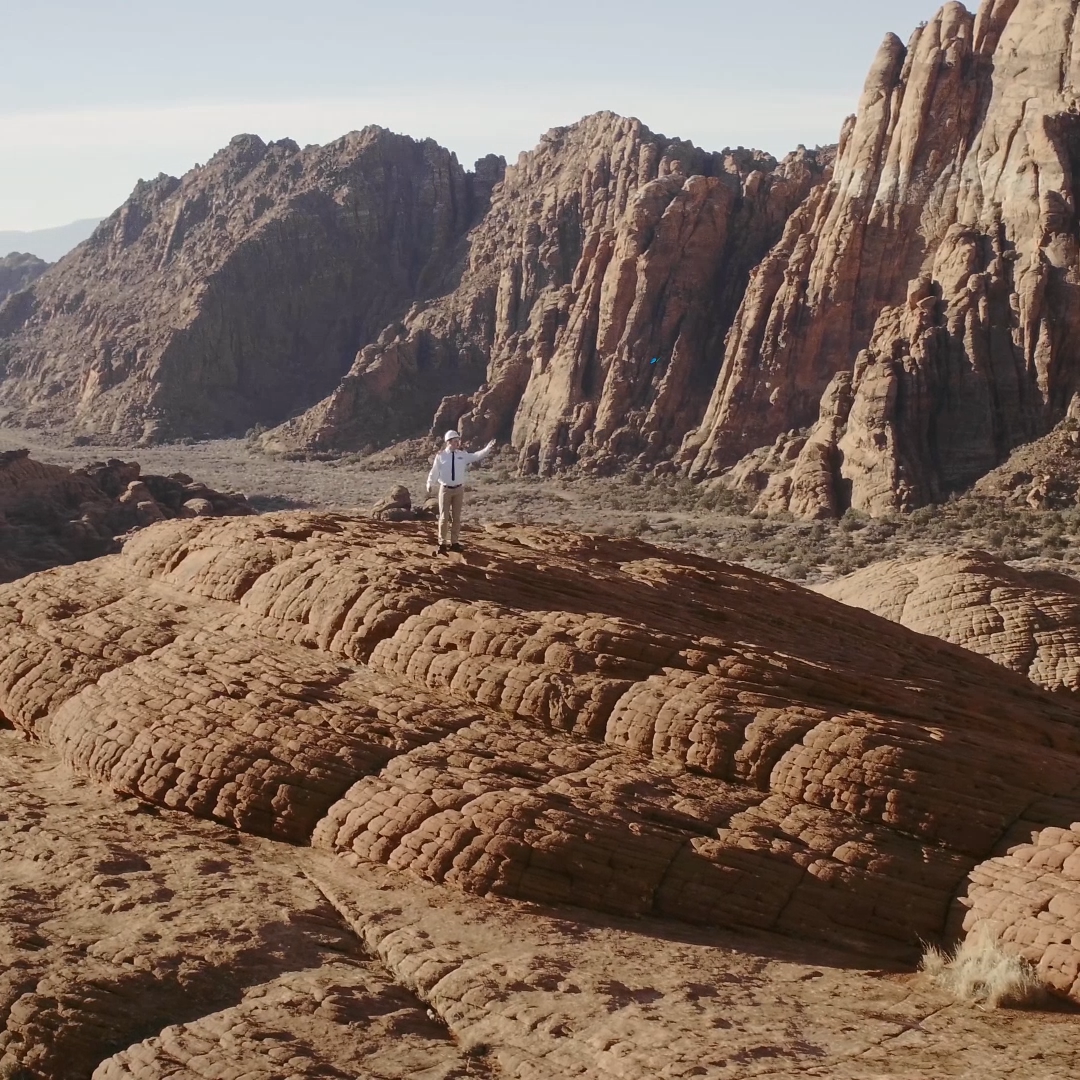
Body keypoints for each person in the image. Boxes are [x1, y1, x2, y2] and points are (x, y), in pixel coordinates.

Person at [426, 429, 496, 553]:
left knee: (456, 518)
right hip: (445, 490)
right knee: (444, 518)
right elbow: (434, 471)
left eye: (458, 440)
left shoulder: (462, 455)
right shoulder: (441, 456)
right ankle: (442, 543)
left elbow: (476, 456)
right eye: (455, 441)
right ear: (448, 442)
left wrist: (487, 448)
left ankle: (454, 543)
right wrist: (429, 483)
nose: (457, 443)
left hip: (458, 489)